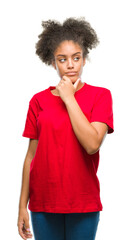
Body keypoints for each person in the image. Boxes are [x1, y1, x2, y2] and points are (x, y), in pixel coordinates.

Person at [17, 17, 114, 240]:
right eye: (62, 59)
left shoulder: (100, 96)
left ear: (84, 59)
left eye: (76, 58)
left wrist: (69, 98)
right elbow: (30, 157)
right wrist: (22, 206)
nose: (70, 65)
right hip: (43, 203)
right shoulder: (38, 101)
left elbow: (92, 144)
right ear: (53, 62)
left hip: (83, 202)